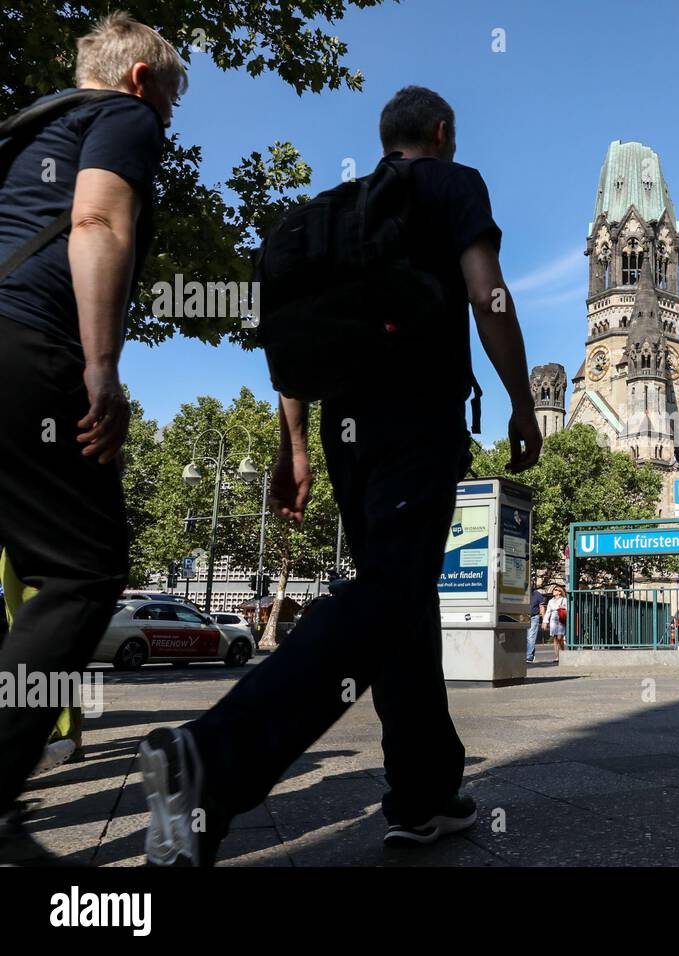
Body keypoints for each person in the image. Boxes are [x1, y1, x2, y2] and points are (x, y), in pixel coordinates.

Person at [136, 85, 544, 866]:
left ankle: (423, 796)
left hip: (344, 431)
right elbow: (487, 292)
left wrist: (295, 448)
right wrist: (522, 405)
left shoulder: (336, 209)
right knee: (391, 596)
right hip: (418, 420)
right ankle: (211, 760)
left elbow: (292, 342)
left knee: (403, 603)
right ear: (442, 132)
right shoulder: (452, 183)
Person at [0, 13, 184, 866]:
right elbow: (97, 224)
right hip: (27, 345)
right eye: (174, 99)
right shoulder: (125, 117)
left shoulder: (27, 124)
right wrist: (101, 371)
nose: (172, 123)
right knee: (81, 567)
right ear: (143, 79)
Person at [544, 583, 567, 657]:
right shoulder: (551, 601)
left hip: (560, 618)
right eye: (554, 590)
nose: (554, 591)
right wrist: (545, 621)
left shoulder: (564, 599)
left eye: (556, 590)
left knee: (559, 637)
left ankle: (563, 654)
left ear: (560, 592)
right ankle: (557, 656)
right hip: (553, 619)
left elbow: (568, 608)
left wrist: (564, 607)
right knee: (555, 638)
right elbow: (548, 611)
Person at [527, 585, 547, 663]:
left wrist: (544, 620)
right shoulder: (522, 593)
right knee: (526, 637)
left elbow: (542, 607)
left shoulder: (537, 594)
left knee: (531, 636)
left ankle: (529, 656)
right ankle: (531, 654)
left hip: (534, 617)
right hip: (523, 617)